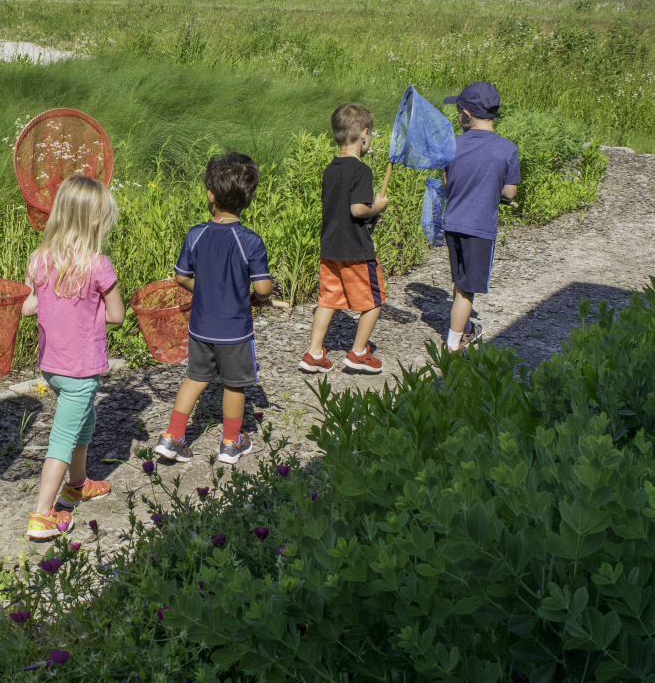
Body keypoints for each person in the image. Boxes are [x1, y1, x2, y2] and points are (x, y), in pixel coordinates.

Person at [19, 175, 125, 540]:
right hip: (81, 369)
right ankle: (42, 513)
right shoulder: (98, 265)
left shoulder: (41, 259)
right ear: (96, 221)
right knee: (63, 437)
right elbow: (116, 315)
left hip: (52, 366)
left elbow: (29, 307)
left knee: (85, 421)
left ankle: (77, 485)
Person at [154, 153, 274, 465]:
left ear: (210, 194)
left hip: (201, 327)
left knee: (195, 378)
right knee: (234, 384)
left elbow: (182, 276)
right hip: (234, 330)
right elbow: (262, 289)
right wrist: (260, 299)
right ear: (247, 199)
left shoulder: (196, 234)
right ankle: (231, 443)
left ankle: (172, 437)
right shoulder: (251, 241)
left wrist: (204, 288)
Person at [300, 103, 390, 374]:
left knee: (327, 300)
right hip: (356, 250)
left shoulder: (331, 169)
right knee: (374, 301)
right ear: (363, 134)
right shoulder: (361, 170)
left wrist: (368, 218)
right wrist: (377, 207)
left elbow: (340, 209)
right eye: (370, 134)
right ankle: (359, 353)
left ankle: (314, 353)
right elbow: (357, 209)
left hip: (330, 248)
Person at [440, 81, 520, 351]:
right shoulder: (507, 149)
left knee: (459, 280)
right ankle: (453, 345)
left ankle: (466, 327)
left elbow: (449, 185)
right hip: (480, 228)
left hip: (452, 223)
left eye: (458, 110)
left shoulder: (452, 144)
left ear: (468, 114)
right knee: (467, 290)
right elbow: (509, 192)